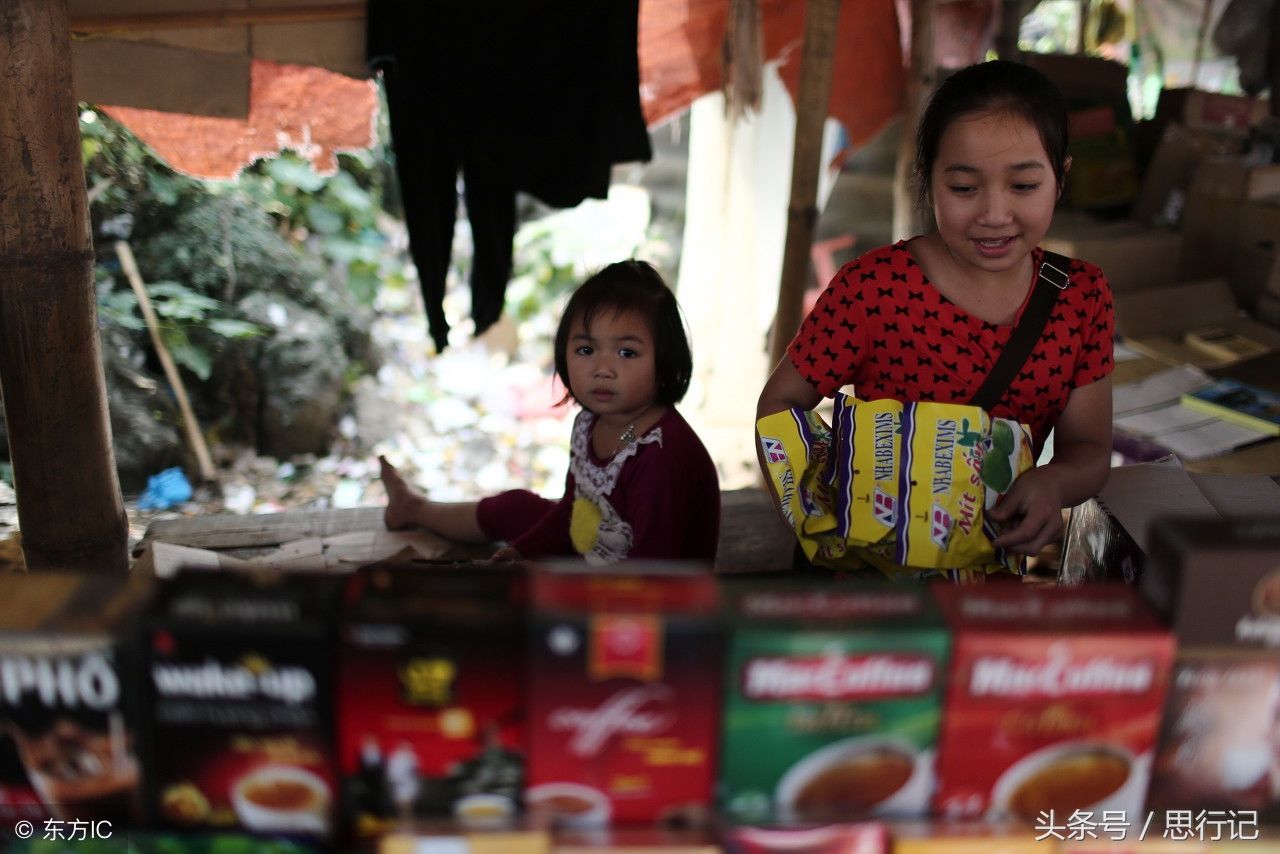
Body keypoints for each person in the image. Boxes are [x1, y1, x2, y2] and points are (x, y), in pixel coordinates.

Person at [756, 59, 1114, 566]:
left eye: (1024, 186)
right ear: (927, 182)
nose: (994, 214)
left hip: (988, 579)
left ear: (1061, 177)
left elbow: (1090, 447)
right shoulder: (873, 287)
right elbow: (779, 407)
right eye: (964, 188)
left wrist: (1053, 484)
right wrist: (817, 513)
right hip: (866, 582)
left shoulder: (1081, 297)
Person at [381, 260, 721, 565]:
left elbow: (653, 576)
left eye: (627, 352)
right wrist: (521, 552)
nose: (603, 368)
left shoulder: (661, 458)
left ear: (665, 361)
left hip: (647, 594)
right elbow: (574, 512)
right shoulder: (590, 423)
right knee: (515, 507)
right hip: (593, 548)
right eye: (586, 349)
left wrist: (553, 587)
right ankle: (413, 509)